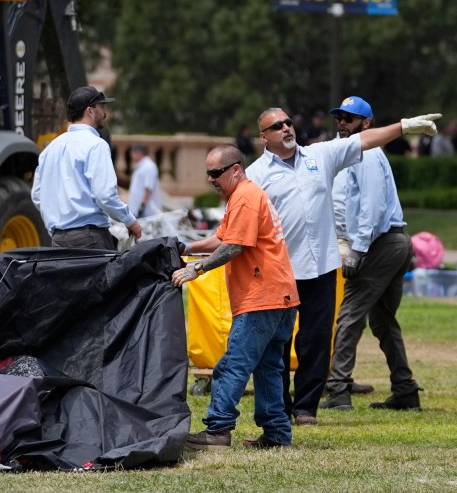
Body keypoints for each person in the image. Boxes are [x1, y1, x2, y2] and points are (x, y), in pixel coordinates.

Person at [244, 101, 440, 426]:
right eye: (277, 126)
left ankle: (306, 408)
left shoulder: (319, 155)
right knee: (277, 342)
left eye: (289, 121)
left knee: (316, 339)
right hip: (280, 268)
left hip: (321, 266)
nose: (286, 128)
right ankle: (279, 406)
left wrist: (404, 126)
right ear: (264, 137)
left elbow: (366, 142)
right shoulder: (256, 175)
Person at [172, 144, 298, 449]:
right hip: (281, 296)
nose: (211, 179)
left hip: (262, 297)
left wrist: (195, 269)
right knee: (268, 367)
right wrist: (186, 248)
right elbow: (220, 238)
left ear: (236, 169)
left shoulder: (244, 198)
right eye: (208, 174)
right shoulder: (243, 196)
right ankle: (277, 435)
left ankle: (218, 430)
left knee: (232, 364)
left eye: (216, 173)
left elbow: (233, 247)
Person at [320, 96, 421, 412]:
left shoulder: (368, 153)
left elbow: (372, 208)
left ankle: (337, 391)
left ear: (367, 123)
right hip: (388, 243)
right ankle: (405, 391)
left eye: (350, 119)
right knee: (383, 321)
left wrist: (356, 250)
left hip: (381, 244)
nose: (342, 123)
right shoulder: (352, 152)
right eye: (340, 118)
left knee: (349, 315)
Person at [32, 85, 142, 250]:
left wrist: (57, 221)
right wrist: (129, 221)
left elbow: (37, 196)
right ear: (90, 111)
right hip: (90, 237)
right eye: (102, 107)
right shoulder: (96, 145)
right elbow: (105, 195)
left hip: (58, 240)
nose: (105, 113)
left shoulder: (50, 149)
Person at [128, 145, 162, 218]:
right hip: (138, 210)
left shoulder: (149, 166)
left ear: (139, 153)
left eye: (133, 153)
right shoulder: (141, 166)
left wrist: (142, 206)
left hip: (148, 212)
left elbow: (148, 188)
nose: (132, 156)